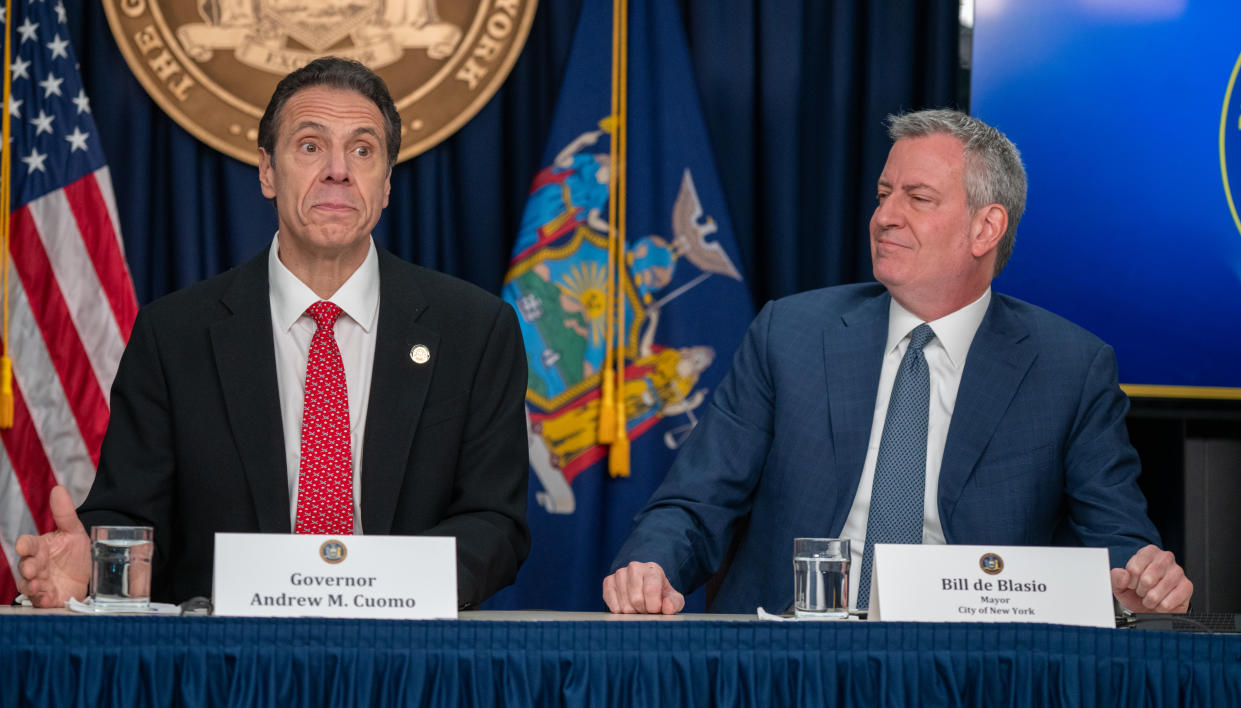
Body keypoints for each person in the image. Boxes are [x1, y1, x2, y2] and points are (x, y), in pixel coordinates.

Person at [602, 109, 1192, 616]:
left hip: (967, 667)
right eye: (884, 194)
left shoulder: (1070, 367)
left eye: (919, 198)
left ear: (986, 228)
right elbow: (697, 500)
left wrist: (1143, 579)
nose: (885, 215)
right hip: (786, 657)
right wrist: (649, 566)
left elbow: (1117, 540)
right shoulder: (791, 334)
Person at [16, 57, 529, 609]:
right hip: (226, 669)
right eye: (310, 146)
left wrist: (378, 590)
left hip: (406, 657)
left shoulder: (475, 331)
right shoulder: (175, 334)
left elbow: (494, 521)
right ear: (267, 171)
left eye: (362, 150)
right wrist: (92, 567)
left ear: (385, 184)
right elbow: (134, 514)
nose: (338, 170)